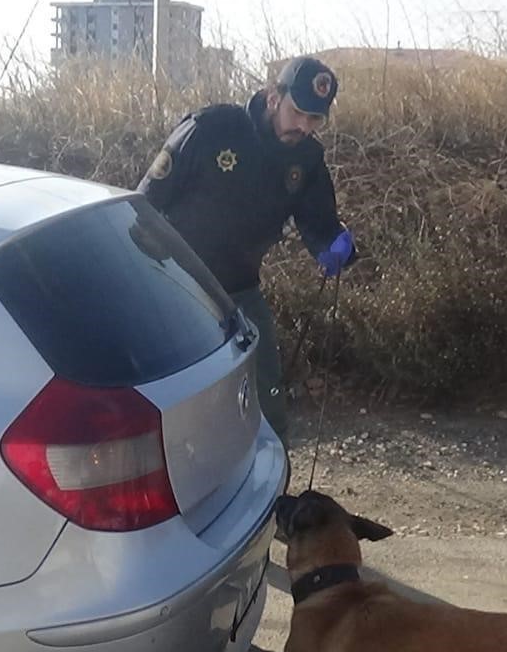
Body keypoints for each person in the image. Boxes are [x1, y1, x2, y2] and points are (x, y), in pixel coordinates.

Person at [138, 55, 358, 446]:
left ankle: (274, 491)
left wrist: (333, 246)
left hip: (240, 289)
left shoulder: (306, 158)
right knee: (176, 395)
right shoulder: (211, 129)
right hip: (175, 283)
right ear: (274, 96)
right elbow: (146, 204)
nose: (305, 127)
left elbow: (318, 220)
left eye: (316, 119)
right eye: (299, 113)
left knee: (267, 391)